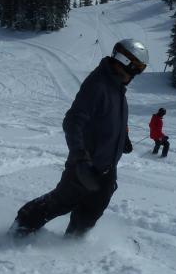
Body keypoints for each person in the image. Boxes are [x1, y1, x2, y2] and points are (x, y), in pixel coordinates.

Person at [11, 39, 149, 238]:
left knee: (91, 211)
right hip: (86, 165)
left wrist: (123, 137)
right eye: (137, 69)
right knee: (59, 203)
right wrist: (80, 157)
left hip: (107, 169)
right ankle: (19, 230)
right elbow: (73, 121)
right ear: (125, 62)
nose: (136, 75)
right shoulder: (98, 84)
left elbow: (111, 117)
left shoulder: (117, 86)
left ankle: (72, 246)